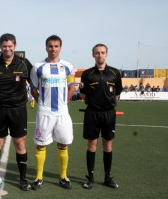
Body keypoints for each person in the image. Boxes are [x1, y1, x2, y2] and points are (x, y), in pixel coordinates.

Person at [0, 33, 32, 191]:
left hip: (18, 110)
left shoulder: (24, 63)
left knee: (20, 143)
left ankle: (23, 179)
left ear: (15, 46)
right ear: (0, 46)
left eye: (10, 46)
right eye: (4, 46)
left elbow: (34, 81)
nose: (7, 49)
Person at [30, 35, 75, 190]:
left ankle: (63, 177)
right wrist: (41, 102)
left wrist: (65, 102)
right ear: (46, 47)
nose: (53, 49)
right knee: (41, 144)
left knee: (63, 144)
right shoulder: (38, 67)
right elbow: (34, 89)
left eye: (56, 46)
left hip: (62, 113)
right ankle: (39, 178)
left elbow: (72, 87)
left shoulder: (68, 66)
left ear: (60, 47)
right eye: (50, 46)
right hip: (44, 113)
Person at [80, 43, 123, 189]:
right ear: (93, 54)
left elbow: (117, 93)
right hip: (92, 113)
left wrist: (107, 104)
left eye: (102, 52)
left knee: (107, 144)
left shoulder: (115, 73)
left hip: (109, 114)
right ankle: (90, 178)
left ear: (106, 54)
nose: (100, 55)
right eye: (97, 53)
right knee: (92, 145)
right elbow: (83, 95)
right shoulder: (87, 74)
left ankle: (107, 177)